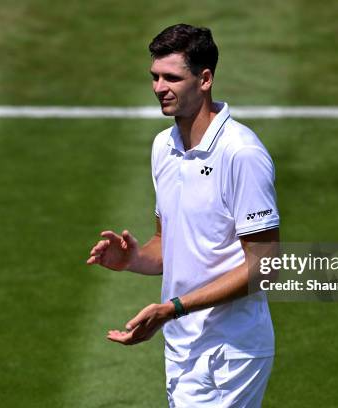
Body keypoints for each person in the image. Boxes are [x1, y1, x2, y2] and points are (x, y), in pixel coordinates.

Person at [87, 23, 280, 407]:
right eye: (155, 77)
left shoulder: (241, 154)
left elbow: (266, 266)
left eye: (172, 77)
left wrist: (173, 308)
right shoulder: (164, 146)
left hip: (230, 351)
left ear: (205, 79)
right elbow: (168, 245)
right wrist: (135, 259)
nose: (159, 88)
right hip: (182, 346)